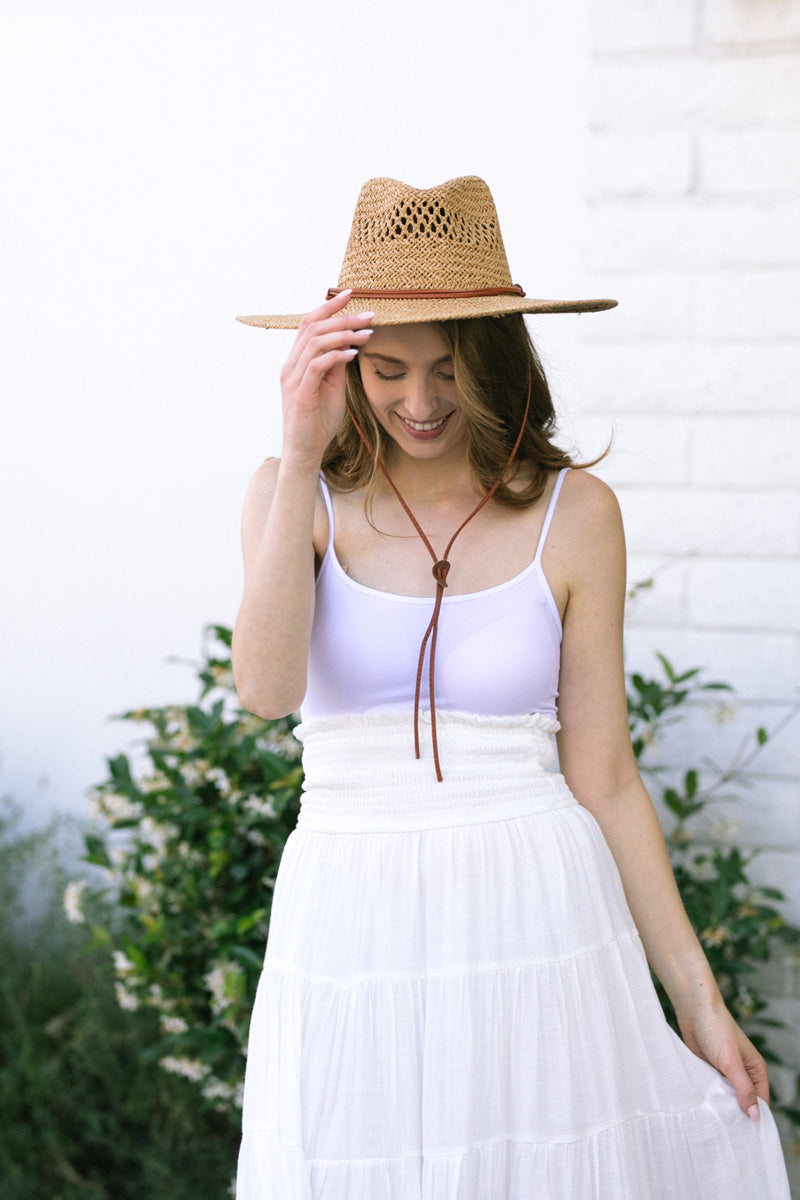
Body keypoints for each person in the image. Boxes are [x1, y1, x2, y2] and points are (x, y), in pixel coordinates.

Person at [231, 176, 790, 1199]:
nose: (418, 401)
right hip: (351, 913)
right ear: (343, 363)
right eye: (386, 369)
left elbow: (606, 777)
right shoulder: (290, 494)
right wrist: (303, 441)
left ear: (495, 357)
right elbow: (265, 690)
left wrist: (698, 1004)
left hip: (535, 909)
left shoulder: (576, 514)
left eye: (447, 368)